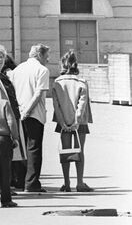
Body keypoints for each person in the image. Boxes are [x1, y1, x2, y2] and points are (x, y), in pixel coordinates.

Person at [9, 44, 50, 193]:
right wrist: (28, 111)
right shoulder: (42, 70)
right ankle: (32, 183)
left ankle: (20, 180)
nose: (48, 59)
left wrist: (20, 111)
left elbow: (12, 91)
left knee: (21, 148)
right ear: (39, 55)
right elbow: (38, 94)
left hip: (18, 112)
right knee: (34, 148)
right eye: (46, 56)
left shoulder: (18, 69)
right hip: (34, 114)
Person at [52, 50, 93, 193]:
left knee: (65, 151)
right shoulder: (82, 82)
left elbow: (56, 105)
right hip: (80, 123)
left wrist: (62, 121)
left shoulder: (57, 82)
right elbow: (82, 104)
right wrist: (77, 120)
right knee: (80, 150)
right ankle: (80, 182)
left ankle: (66, 183)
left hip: (63, 122)